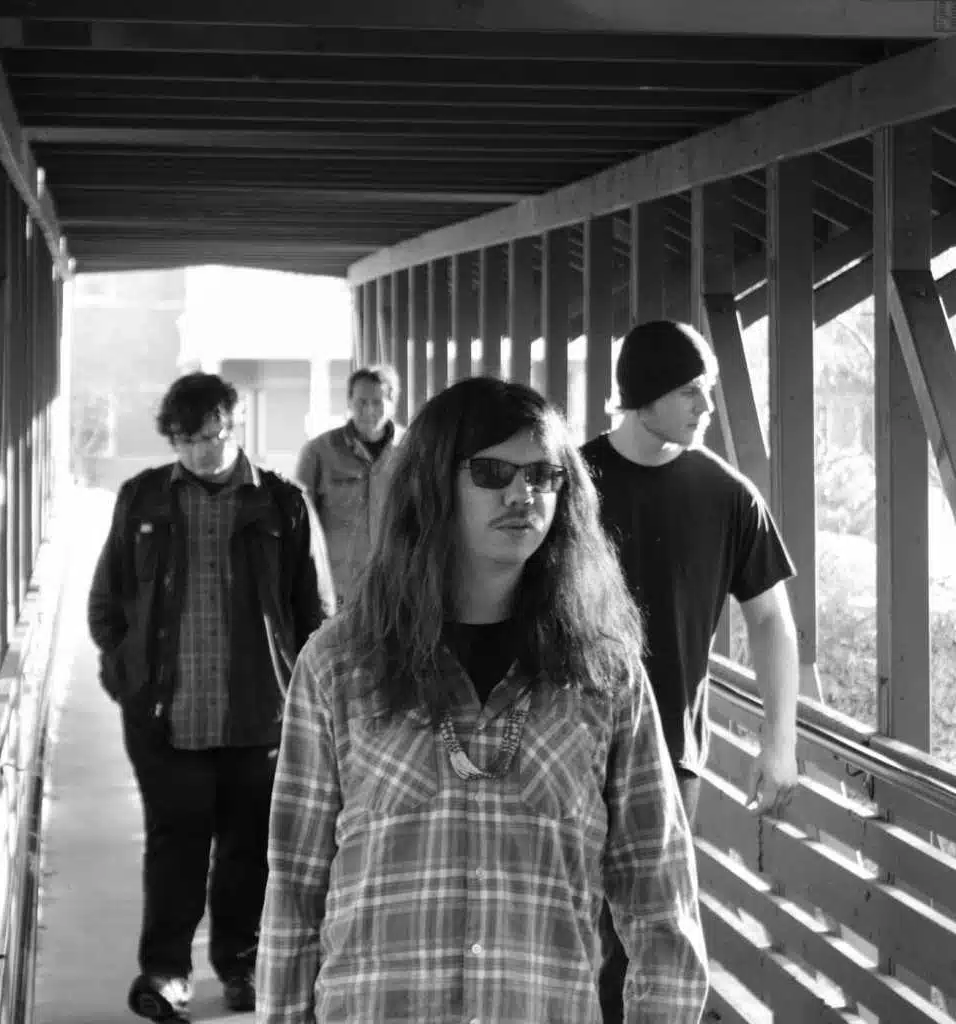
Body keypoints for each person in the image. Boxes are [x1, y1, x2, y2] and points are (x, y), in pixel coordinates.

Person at [256, 376, 709, 1024]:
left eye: (543, 475)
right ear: (434, 485)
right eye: (492, 472)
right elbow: (295, 892)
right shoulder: (339, 666)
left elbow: (661, 900)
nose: (522, 495)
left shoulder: (603, 676)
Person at [87, 371, 335, 1022]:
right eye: (187, 439)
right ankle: (167, 972)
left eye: (212, 436)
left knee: (249, 850)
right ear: (173, 440)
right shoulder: (143, 498)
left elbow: (314, 611)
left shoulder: (281, 503)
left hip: (259, 715)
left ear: (235, 426)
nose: (201, 450)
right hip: (166, 718)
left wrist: (307, 695)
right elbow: (108, 600)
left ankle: (241, 966)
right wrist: (126, 674)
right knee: (175, 845)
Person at [580, 319, 800, 1023]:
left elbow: (771, 620)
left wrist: (779, 741)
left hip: (671, 754)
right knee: (566, 930)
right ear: (642, 394)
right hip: (564, 742)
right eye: (689, 391)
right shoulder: (571, 483)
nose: (706, 405)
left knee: (648, 939)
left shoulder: (727, 494)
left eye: (707, 388)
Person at [295, 364, 402, 605]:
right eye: (361, 402)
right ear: (349, 401)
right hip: (338, 592)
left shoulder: (411, 452)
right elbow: (300, 524)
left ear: (392, 403)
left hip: (396, 589)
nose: (369, 410)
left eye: (377, 402)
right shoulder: (319, 452)